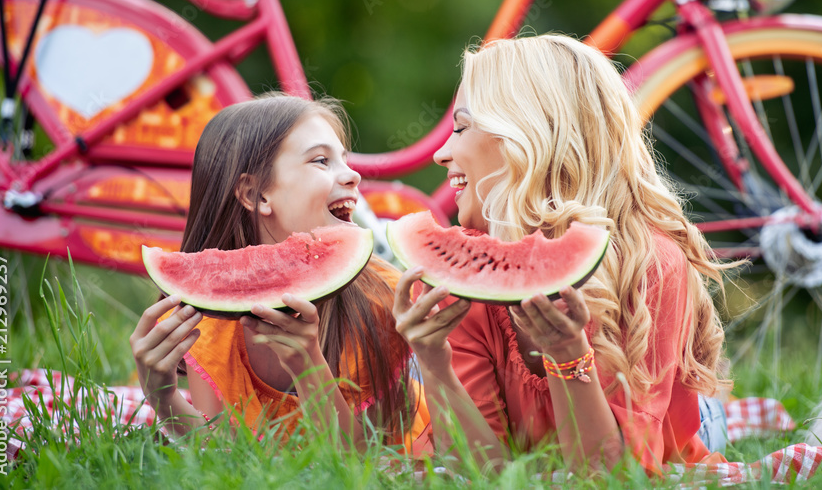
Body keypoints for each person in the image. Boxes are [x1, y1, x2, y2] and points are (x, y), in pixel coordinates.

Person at [393, 34, 731, 472]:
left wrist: (568, 357)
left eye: (460, 127)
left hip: (661, 451)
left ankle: (722, 412)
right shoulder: (466, 279)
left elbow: (612, 477)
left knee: (711, 419)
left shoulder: (647, 265)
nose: (442, 153)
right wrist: (435, 365)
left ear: (528, 136)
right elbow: (480, 475)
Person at [130, 93, 427, 450]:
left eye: (344, 160)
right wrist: (162, 398)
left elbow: (368, 463)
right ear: (256, 194)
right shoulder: (211, 320)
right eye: (322, 161)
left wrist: (309, 369)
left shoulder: (382, 300)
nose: (352, 175)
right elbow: (223, 454)